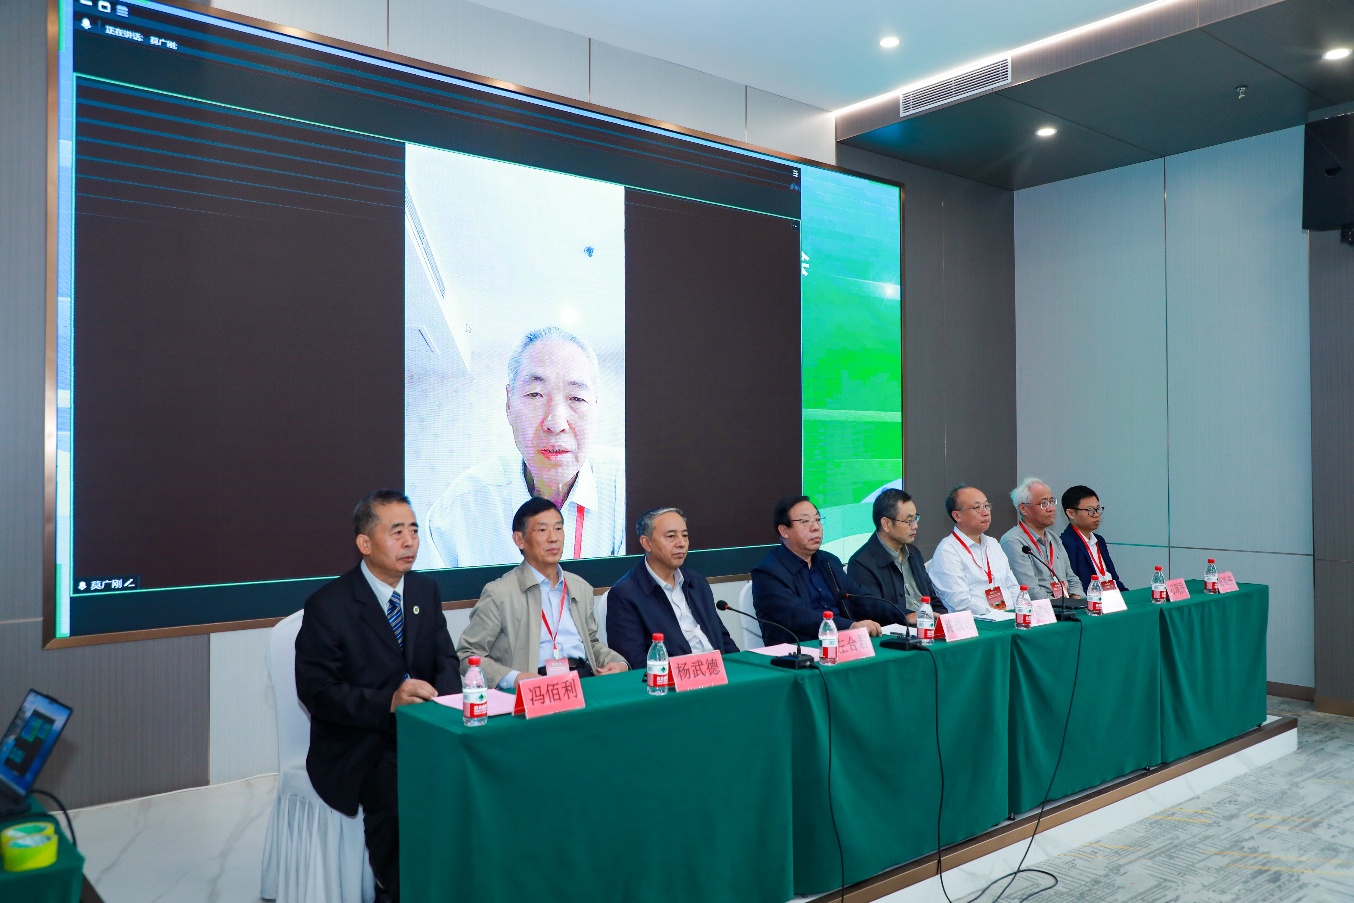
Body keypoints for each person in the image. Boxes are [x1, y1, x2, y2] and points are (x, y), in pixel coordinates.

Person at [294, 490, 461, 903]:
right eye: (396, 532)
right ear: (365, 544)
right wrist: (388, 702)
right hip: (361, 740)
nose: (410, 542)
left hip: (425, 728)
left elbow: (445, 660)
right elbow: (318, 693)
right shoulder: (328, 606)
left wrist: (444, 707)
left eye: (414, 531)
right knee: (398, 796)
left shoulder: (424, 591)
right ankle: (401, 891)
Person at [427, 327, 625, 568]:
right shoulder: (463, 507)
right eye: (535, 394)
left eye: (576, 398)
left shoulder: (628, 488)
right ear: (509, 404)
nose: (556, 423)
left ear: (595, 408)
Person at [457, 497, 628, 689]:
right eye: (542, 530)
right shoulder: (499, 593)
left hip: (582, 680)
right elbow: (467, 654)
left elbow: (591, 643)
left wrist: (617, 662)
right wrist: (514, 679)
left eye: (558, 528)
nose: (553, 538)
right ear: (519, 540)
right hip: (533, 685)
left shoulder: (580, 587)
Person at [605, 507, 740, 669]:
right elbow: (634, 661)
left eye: (685, 535)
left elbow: (722, 639)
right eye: (671, 536)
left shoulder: (697, 583)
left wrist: (740, 668)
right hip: (674, 679)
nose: (681, 543)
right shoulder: (625, 595)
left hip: (718, 672)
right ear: (646, 543)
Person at [751, 496, 894, 644]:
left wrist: (904, 615)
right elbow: (798, 616)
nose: (816, 527)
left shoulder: (829, 562)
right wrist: (850, 626)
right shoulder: (767, 573)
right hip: (799, 650)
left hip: (843, 644)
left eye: (818, 520)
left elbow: (862, 598)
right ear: (784, 531)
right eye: (805, 521)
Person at [847, 488, 949, 625]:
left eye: (915, 518)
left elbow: (932, 597)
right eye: (909, 521)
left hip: (928, 626)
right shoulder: (861, 563)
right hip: (899, 631)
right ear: (886, 524)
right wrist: (907, 616)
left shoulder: (913, 553)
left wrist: (945, 619)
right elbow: (873, 609)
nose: (915, 526)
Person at [926, 485, 1022, 617]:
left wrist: (1018, 610)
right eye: (977, 507)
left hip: (1007, 617)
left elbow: (1012, 586)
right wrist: (998, 615)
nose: (986, 512)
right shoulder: (948, 551)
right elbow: (960, 603)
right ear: (957, 516)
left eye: (986, 506)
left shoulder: (993, 543)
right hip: (976, 622)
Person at [999, 478, 1085, 603]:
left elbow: (1072, 578)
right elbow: (1030, 590)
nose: (1051, 508)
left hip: (1066, 605)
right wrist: (1063, 606)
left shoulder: (1054, 538)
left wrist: (1077, 601)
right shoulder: (1013, 541)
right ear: (1023, 509)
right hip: (1042, 609)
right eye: (1044, 503)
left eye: (1052, 501)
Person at [1060, 485, 1128, 591]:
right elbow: (1074, 587)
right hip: (1092, 598)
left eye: (1097, 509)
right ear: (1071, 513)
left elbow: (1114, 579)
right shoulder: (1065, 544)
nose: (1096, 515)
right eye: (1090, 510)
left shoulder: (1099, 540)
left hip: (1113, 595)